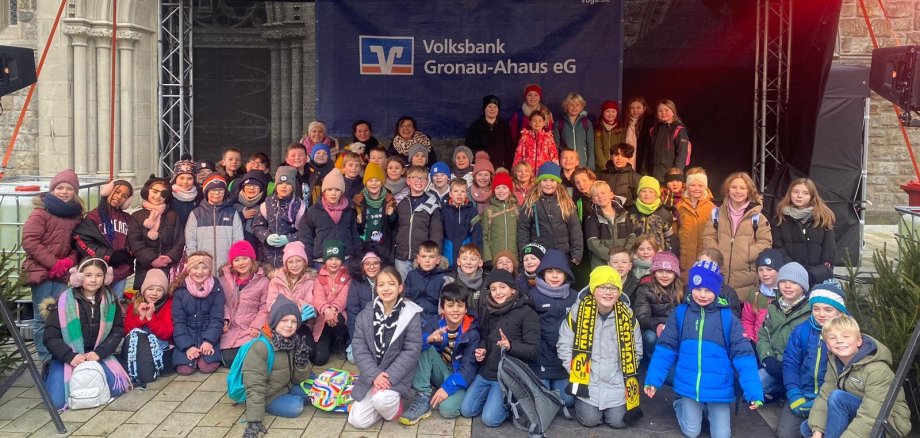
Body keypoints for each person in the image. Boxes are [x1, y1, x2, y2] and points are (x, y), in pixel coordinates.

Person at [644, 262, 764, 438]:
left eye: (708, 290)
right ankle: (680, 403)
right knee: (692, 432)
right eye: (698, 288)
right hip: (689, 385)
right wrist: (653, 380)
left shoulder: (728, 318)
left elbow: (744, 357)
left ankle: (705, 409)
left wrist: (753, 391)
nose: (702, 294)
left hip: (719, 386)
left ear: (716, 290)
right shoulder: (680, 313)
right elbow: (665, 349)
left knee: (721, 435)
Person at [558, 265, 643, 428]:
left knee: (619, 422)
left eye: (613, 288)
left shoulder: (628, 316)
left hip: (616, 382)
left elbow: (637, 350)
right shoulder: (577, 314)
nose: (608, 292)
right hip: (588, 382)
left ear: (619, 292)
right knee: (589, 421)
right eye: (602, 287)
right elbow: (564, 345)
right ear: (593, 289)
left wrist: (621, 378)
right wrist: (575, 372)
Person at [40, 258, 130, 410]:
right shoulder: (64, 301)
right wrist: (70, 356)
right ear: (79, 276)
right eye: (88, 275)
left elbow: (117, 331)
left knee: (117, 388)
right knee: (56, 403)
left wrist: (100, 353)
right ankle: (50, 371)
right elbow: (50, 337)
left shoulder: (110, 300)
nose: (93, 280)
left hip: (95, 354)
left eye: (99, 275)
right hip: (67, 356)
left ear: (105, 277)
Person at [802, 315, 913, 438]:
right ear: (828, 345)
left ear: (858, 341)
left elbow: (871, 415)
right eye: (832, 338)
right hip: (859, 411)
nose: (839, 341)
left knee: (838, 398)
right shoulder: (834, 363)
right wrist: (817, 431)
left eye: (846, 336)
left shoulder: (876, 369)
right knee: (808, 428)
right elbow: (825, 395)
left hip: (888, 422)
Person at [459, 269, 539, 427]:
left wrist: (510, 346)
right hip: (486, 372)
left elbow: (534, 350)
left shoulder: (527, 312)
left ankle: (511, 404)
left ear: (513, 290)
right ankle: (493, 399)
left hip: (506, 376)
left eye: (502, 287)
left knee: (490, 419)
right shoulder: (489, 310)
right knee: (466, 410)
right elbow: (484, 337)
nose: (497, 292)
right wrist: (482, 350)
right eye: (493, 289)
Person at [348, 266, 423, 429]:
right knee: (358, 421)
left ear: (400, 287)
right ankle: (379, 403)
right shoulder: (366, 313)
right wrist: (375, 375)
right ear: (376, 288)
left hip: (396, 375)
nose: (386, 288)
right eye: (381, 285)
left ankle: (394, 409)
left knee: (382, 399)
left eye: (391, 284)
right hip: (373, 374)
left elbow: (412, 350)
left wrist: (387, 377)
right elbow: (359, 346)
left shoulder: (411, 314)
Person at [23, 169, 83, 362]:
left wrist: (68, 262)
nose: (64, 192)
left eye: (69, 188)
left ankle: (61, 355)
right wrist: (53, 263)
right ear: (52, 190)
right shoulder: (40, 213)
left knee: (62, 315)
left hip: (63, 274)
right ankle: (45, 359)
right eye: (59, 188)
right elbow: (31, 241)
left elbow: (80, 243)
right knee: (43, 317)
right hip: (42, 272)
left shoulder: (76, 216)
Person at [399, 284, 480, 424]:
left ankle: (443, 391)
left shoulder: (472, 333)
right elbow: (411, 346)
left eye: (460, 306)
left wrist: (446, 388)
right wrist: (428, 339)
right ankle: (423, 396)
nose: (455, 310)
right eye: (450, 305)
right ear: (442, 309)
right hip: (440, 370)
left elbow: (468, 369)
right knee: (424, 345)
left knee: (447, 410)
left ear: (466, 309)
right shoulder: (433, 324)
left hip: (459, 377)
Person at [775, 281, 846, 438]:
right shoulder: (802, 331)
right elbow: (790, 364)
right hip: (803, 393)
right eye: (816, 309)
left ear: (839, 312)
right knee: (785, 434)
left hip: (830, 399)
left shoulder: (847, 335)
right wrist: (794, 393)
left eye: (828, 309)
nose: (821, 314)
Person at [240, 295, 312, 438]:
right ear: (274, 322)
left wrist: (302, 362)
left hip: (287, 384)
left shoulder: (293, 341)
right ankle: (266, 408)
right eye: (284, 320)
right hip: (269, 394)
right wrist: (254, 421)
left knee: (315, 391)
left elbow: (298, 379)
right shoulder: (260, 347)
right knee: (296, 407)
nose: (289, 325)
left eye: (293, 321)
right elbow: (255, 386)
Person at [702, 171, 773, 300]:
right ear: (728, 190)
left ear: (749, 191)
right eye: (734, 187)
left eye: (742, 188)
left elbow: (765, 243)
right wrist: (717, 255)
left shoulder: (758, 217)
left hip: (747, 280)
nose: (737, 191)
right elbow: (708, 237)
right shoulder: (716, 214)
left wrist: (746, 254)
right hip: (719, 275)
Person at [529, 250, 578, 408]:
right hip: (541, 359)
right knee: (542, 402)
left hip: (563, 362)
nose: (554, 276)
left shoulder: (574, 297)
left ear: (566, 274)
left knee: (568, 401)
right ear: (543, 273)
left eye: (559, 272)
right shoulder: (533, 296)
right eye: (550, 271)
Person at [758, 262, 812, 401]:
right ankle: (780, 390)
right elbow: (763, 334)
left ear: (803, 287)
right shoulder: (774, 306)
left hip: (798, 369)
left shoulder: (811, 311)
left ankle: (786, 391)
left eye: (794, 282)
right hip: (776, 363)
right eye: (783, 282)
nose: (787, 286)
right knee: (756, 384)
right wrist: (767, 358)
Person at [73, 178, 135, 300]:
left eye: (124, 196)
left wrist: (128, 254)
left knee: (114, 306)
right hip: (98, 271)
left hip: (121, 271)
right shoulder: (93, 217)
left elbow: (133, 240)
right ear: (108, 191)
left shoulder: (127, 219)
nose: (119, 197)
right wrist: (108, 255)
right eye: (117, 192)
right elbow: (81, 240)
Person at [517, 162, 584, 266]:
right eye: (544, 180)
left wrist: (576, 255)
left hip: (562, 253)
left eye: (552, 180)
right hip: (538, 254)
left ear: (557, 182)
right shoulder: (530, 202)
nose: (548, 184)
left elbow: (574, 228)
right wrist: (525, 253)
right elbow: (523, 229)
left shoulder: (565, 202)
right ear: (539, 182)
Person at [773, 178, 837, 285]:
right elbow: (778, 247)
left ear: (812, 196)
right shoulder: (780, 219)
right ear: (790, 194)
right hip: (791, 277)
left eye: (805, 193)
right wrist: (794, 270)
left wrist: (815, 274)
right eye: (795, 192)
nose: (799, 196)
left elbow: (829, 251)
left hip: (816, 278)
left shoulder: (823, 219)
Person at [171, 252, 224, 375]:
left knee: (207, 367)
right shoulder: (180, 291)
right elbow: (178, 322)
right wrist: (188, 346)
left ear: (209, 270)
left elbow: (217, 317)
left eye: (204, 267)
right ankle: (190, 350)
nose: (199, 272)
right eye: (195, 267)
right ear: (189, 269)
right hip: (187, 334)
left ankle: (204, 350)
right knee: (185, 369)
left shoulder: (216, 288)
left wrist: (209, 341)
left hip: (208, 333)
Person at [218, 241, 270, 367]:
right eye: (236, 260)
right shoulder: (223, 280)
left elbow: (265, 307)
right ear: (231, 263)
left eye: (245, 258)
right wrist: (225, 320)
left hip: (250, 328)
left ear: (252, 260)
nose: (241, 263)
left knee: (250, 357)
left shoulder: (263, 281)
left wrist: (257, 325)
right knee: (229, 360)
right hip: (230, 328)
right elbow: (220, 303)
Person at [129, 175, 185, 290]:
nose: (158, 196)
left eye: (163, 194)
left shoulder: (172, 216)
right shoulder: (137, 216)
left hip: (168, 267)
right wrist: (152, 259)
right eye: (155, 191)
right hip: (145, 267)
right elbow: (135, 242)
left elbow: (180, 240)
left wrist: (170, 257)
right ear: (147, 191)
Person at [299, 168, 361, 269]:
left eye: (337, 190)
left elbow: (354, 236)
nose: (333, 193)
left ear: (341, 192)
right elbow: (305, 237)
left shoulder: (349, 211)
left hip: (345, 260)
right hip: (320, 261)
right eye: (329, 190)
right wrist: (308, 261)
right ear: (324, 192)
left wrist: (358, 258)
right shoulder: (313, 211)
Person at [122, 268, 173, 388]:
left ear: (164, 292)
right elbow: (127, 331)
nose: (154, 293)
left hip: (160, 347)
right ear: (144, 290)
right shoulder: (135, 303)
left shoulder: (168, 304)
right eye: (150, 289)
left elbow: (167, 333)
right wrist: (140, 317)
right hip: (137, 348)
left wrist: (150, 318)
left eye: (159, 290)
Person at [393, 166, 444, 280]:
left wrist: (434, 255)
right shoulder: (402, 203)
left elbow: (436, 233)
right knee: (404, 290)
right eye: (415, 178)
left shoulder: (432, 204)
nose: (419, 181)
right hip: (402, 256)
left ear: (427, 182)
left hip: (422, 257)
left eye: (423, 179)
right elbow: (396, 228)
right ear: (408, 181)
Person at [184, 174, 243, 268]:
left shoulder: (232, 213)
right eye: (213, 190)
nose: (217, 193)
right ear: (206, 192)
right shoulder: (196, 214)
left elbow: (238, 240)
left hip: (227, 266)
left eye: (220, 190)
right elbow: (190, 242)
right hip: (202, 267)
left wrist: (233, 261)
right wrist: (196, 262)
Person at [252, 166, 306, 268]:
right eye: (280, 183)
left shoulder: (300, 206)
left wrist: (288, 239)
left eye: (288, 184)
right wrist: (266, 236)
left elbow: (305, 232)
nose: (284, 187)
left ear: (293, 186)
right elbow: (257, 226)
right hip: (267, 260)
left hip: (290, 261)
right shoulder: (267, 203)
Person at [633, 251, 682, 358]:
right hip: (652, 328)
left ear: (675, 274)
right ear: (654, 272)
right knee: (651, 337)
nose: (664, 275)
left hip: (675, 327)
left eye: (669, 272)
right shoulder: (645, 289)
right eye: (660, 271)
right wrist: (659, 325)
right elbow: (641, 318)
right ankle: (652, 359)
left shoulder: (681, 290)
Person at [310, 240, 351, 366]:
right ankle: (329, 342)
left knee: (337, 318)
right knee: (319, 360)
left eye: (337, 259)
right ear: (324, 260)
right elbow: (318, 296)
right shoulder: (319, 276)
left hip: (338, 315)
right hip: (323, 318)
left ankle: (340, 340)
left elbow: (344, 296)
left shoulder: (347, 276)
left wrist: (333, 309)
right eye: (330, 259)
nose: (333, 262)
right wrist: (326, 310)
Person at [346, 245, 388, 363]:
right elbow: (353, 314)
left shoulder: (388, 281)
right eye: (367, 264)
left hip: (383, 331)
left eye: (375, 263)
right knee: (353, 358)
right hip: (363, 332)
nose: (371, 267)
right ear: (362, 266)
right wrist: (356, 340)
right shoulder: (356, 284)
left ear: (381, 264)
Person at [585, 181, 636, 269]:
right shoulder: (592, 219)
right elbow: (593, 243)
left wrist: (623, 255)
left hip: (623, 263)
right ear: (593, 200)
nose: (600, 196)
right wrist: (612, 258)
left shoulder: (625, 214)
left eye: (603, 193)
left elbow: (632, 236)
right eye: (595, 195)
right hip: (602, 264)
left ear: (611, 195)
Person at [676, 167, 715, 280]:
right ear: (687, 185)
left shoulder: (713, 209)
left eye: (700, 185)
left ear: (705, 186)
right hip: (683, 260)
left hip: (704, 258)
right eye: (693, 185)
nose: (696, 188)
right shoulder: (679, 207)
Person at [404, 241, 450, 332]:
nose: (427, 261)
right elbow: (406, 298)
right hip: (414, 318)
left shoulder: (444, 278)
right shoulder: (411, 275)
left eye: (431, 257)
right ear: (418, 259)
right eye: (423, 256)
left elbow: (446, 305)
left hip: (436, 321)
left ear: (438, 260)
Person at [442, 179, 483, 269]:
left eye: (462, 191)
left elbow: (477, 235)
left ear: (467, 194)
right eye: (456, 191)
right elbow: (439, 234)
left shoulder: (472, 211)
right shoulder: (444, 211)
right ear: (450, 194)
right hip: (447, 256)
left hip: (466, 259)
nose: (459, 194)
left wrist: (478, 256)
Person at [742, 248, 782, 341]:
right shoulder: (755, 293)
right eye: (760, 270)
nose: (764, 274)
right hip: (757, 345)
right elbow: (747, 320)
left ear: (779, 270)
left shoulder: (786, 293)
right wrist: (750, 339)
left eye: (769, 269)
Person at [645, 99, 690, 181]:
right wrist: (644, 173)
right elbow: (647, 154)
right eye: (660, 111)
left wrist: (676, 175)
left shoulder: (679, 129)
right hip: (653, 175)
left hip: (670, 176)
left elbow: (682, 155)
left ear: (673, 112)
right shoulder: (653, 130)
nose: (663, 113)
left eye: (666, 110)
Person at [629, 176, 676, 253]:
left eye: (651, 192)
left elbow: (669, 239)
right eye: (643, 191)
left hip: (658, 255)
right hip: (636, 255)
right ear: (638, 193)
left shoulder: (665, 213)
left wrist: (668, 255)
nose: (647, 194)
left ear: (656, 194)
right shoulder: (630, 212)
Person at [466, 95, 514, 170]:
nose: (492, 109)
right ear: (484, 108)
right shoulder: (475, 126)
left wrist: (507, 166)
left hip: (499, 167)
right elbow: (469, 147)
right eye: (489, 106)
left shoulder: (504, 126)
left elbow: (509, 148)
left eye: (495, 107)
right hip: (480, 168)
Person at [354, 162, 397, 246]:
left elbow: (394, 226)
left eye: (377, 180)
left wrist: (391, 215)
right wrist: (358, 223)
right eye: (370, 180)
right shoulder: (358, 201)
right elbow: (355, 230)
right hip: (364, 246)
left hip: (383, 246)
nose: (373, 183)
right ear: (365, 183)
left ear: (382, 183)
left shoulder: (389, 200)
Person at [481, 171, 518, 266]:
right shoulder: (489, 211)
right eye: (497, 188)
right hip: (495, 258)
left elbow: (523, 234)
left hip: (514, 257)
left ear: (510, 189)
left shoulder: (517, 209)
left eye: (504, 187)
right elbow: (484, 235)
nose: (501, 191)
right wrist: (488, 258)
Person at [554, 92, 596, 171]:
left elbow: (590, 146)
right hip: (566, 165)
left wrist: (590, 167)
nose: (574, 107)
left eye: (577, 105)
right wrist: (557, 165)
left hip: (582, 164)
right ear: (566, 106)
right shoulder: (559, 123)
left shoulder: (586, 123)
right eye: (571, 105)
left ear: (581, 107)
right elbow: (556, 147)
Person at [231, 170, 270, 251]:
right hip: (236, 253)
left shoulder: (266, 207)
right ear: (243, 187)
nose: (251, 188)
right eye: (248, 185)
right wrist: (241, 216)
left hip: (258, 254)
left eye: (256, 185)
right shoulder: (232, 206)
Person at [444, 244, 487, 315]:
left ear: (480, 262)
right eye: (464, 259)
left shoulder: (487, 282)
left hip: (483, 324)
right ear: (458, 261)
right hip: (458, 324)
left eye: (473, 259)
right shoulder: (450, 281)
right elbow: (443, 309)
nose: (468, 262)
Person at [598, 143, 641, 208]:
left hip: (626, 214)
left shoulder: (635, 177)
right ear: (611, 157)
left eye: (623, 156)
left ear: (628, 158)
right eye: (616, 155)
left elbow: (638, 200)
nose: (619, 158)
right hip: (605, 212)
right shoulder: (602, 175)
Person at [594, 100, 626, 171]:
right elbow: (597, 149)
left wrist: (617, 163)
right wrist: (604, 166)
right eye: (607, 111)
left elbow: (622, 147)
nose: (610, 114)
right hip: (602, 167)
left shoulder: (621, 128)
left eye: (613, 111)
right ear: (603, 113)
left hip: (616, 166)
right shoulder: (598, 129)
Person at [623, 97, 651, 170]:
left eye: (638, 108)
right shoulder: (625, 124)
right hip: (626, 161)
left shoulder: (649, 124)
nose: (635, 110)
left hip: (643, 163)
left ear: (644, 108)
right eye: (632, 108)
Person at [170, 157, 199, 226]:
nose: (185, 182)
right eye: (181, 178)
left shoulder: (199, 197)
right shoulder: (168, 196)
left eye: (189, 178)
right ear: (175, 179)